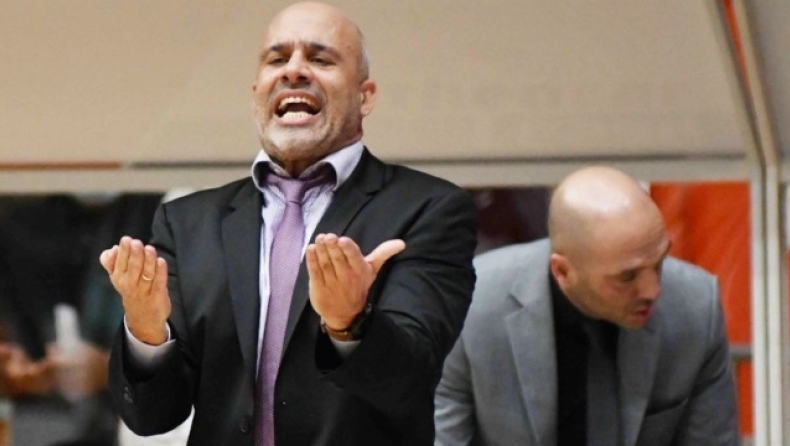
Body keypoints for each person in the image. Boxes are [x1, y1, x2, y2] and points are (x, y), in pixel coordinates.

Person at [99, 2, 477, 446]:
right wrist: (146, 330)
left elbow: (410, 383)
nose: (294, 71)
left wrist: (350, 322)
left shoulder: (429, 208)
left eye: (321, 59)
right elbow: (152, 418)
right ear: (256, 91)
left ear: (365, 96)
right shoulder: (187, 223)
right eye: (277, 59)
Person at [434, 166, 739, 446]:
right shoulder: (467, 308)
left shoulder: (697, 306)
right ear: (563, 271)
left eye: (659, 262)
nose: (653, 290)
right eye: (627, 277)